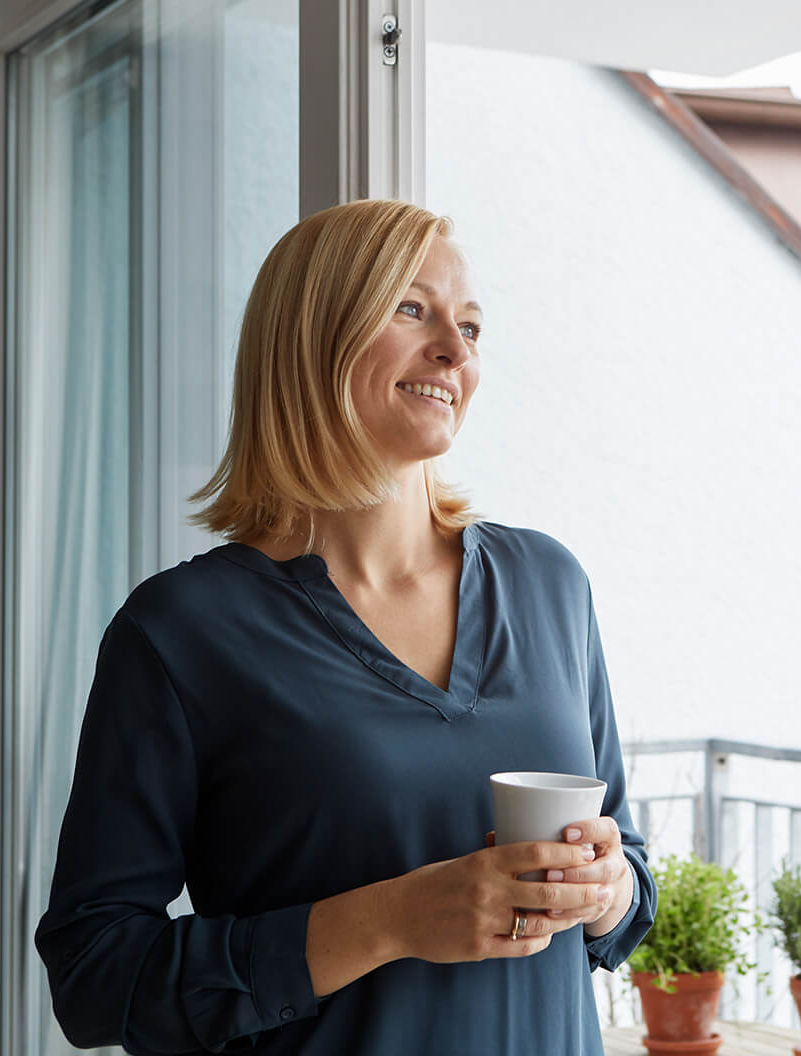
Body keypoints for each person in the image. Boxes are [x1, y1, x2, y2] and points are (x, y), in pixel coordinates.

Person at [35, 198, 657, 1055]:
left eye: (470, 325)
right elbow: (95, 975)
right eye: (414, 309)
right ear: (312, 336)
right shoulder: (182, 633)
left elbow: (625, 871)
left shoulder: (549, 583)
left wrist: (609, 887)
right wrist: (390, 919)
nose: (455, 349)